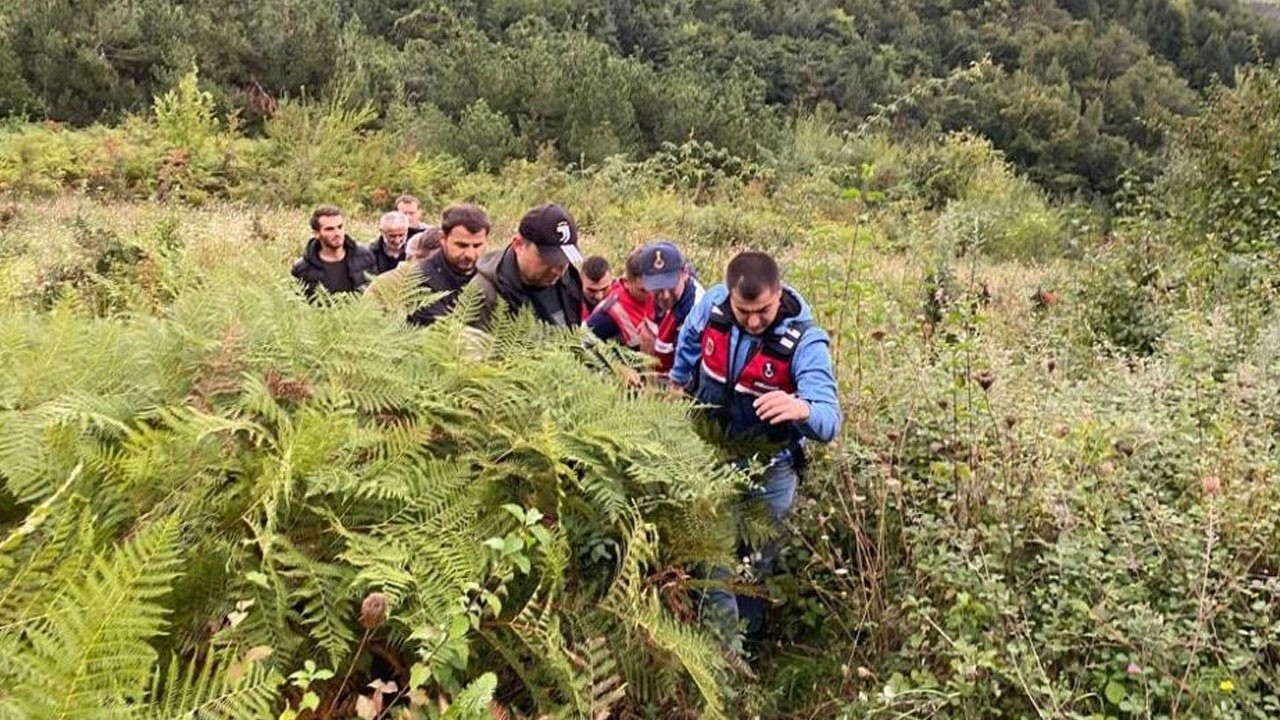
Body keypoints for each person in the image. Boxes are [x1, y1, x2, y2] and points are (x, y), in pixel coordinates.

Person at [669, 251, 841, 641]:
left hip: (772, 467)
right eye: (743, 310)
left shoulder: (805, 341)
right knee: (715, 560)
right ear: (728, 295)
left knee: (757, 558)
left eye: (762, 310)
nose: (752, 320)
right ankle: (729, 658)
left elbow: (829, 421)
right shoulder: (711, 305)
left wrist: (801, 408)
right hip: (713, 457)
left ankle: (751, 634)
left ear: (778, 294)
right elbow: (690, 339)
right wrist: (678, 383)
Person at [469, 202, 585, 331]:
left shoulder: (568, 280)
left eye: (564, 259)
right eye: (548, 259)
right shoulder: (483, 295)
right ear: (518, 245)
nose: (557, 270)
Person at [407, 204, 491, 327]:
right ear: (442, 238)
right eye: (461, 245)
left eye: (477, 246)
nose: (470, 254)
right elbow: (442, 334)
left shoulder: (492, 274)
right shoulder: (420, 280)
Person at [637, 240, 704, 377]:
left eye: (671, 285)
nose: (665, 296)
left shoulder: (697, 310)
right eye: (658, 288)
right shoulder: (650, 296)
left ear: (685, 273)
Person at [291, 205, 376, 298]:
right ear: (316, 233)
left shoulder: (365, 257)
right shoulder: (302, 269)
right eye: (329, 229)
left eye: (340, 227)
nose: (337, 233)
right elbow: (297, 306)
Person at [585, 248, 651, 352]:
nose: (652, 294)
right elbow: (579, 343)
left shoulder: (664, 296)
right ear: (626, 282)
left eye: (655, 287)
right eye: (643, 290)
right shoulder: (608, 313)